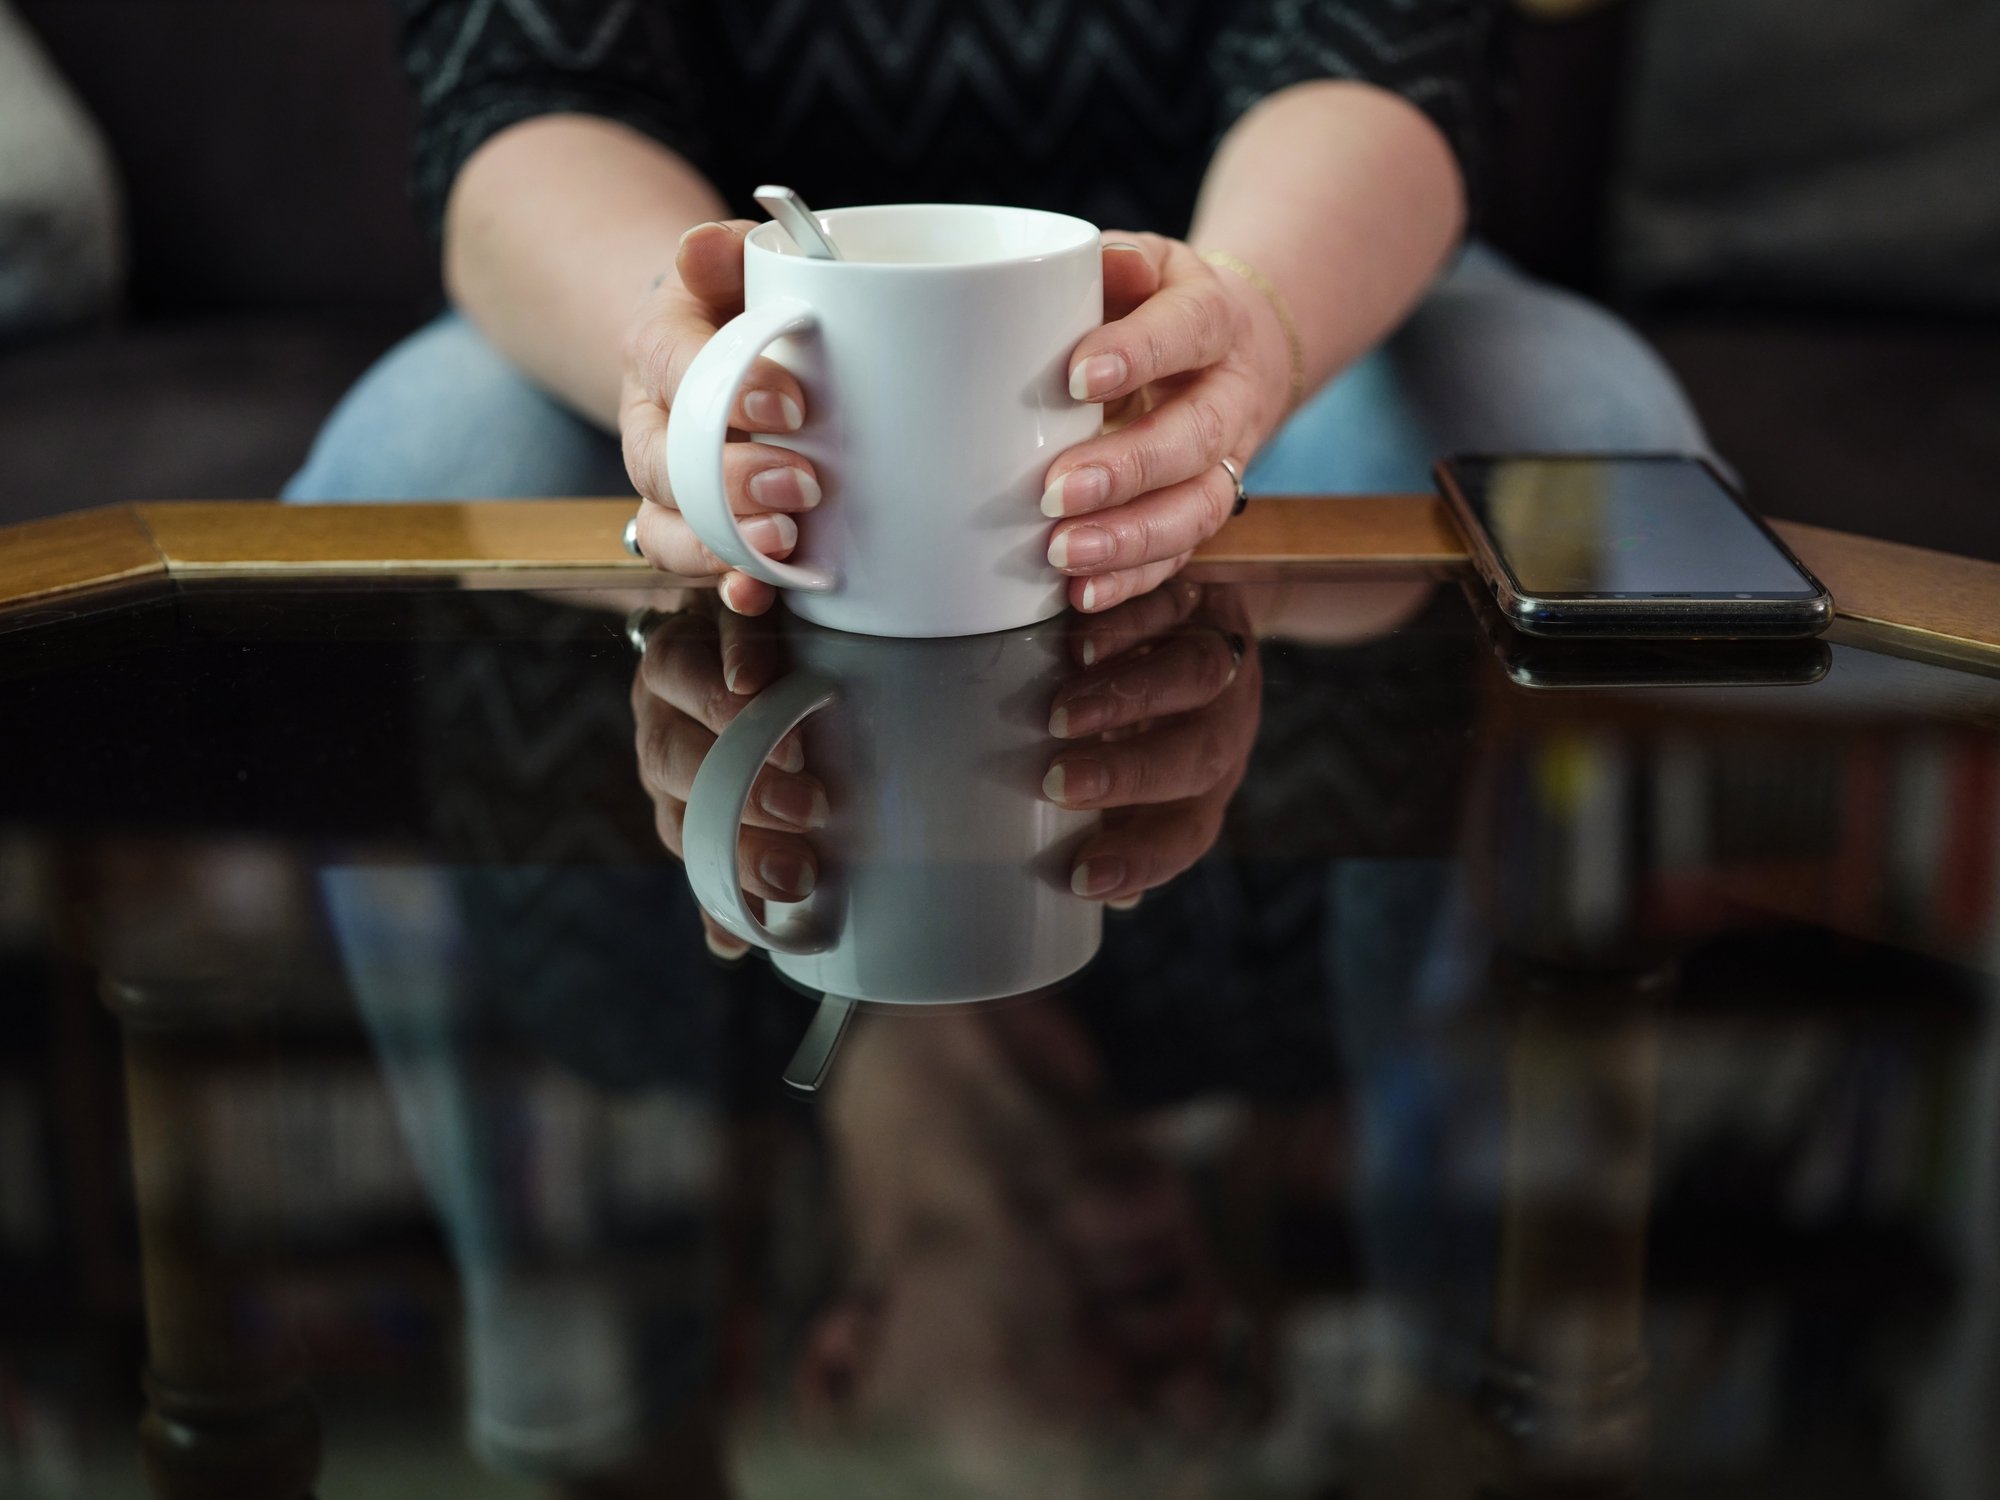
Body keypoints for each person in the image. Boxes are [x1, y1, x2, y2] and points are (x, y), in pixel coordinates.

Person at [287, 0, 1708, 617]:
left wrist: (1252, 326)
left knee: (1577, 419)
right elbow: (524, 96)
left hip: (1256, 250)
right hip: (701, 264)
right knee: (427, 453)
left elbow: (1393, 57)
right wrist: (674, 358)